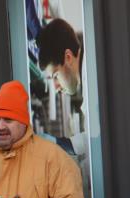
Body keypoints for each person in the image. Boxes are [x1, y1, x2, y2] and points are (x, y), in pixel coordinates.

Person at [35, 17, 86, 161]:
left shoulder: (92, 76)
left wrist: (56, 143)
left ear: (68, 57)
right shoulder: (87, 72)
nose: (56, 87)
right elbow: (91, 139)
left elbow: (94, 138)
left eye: (55, 76)